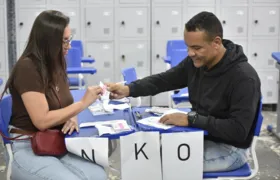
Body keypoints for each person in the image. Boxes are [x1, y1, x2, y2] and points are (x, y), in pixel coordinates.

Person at [107, 11, 261, 172]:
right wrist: (129, 89)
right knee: (150, 156)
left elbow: (238, 131)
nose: (190, 53)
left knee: (163, 164)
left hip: (231, 148)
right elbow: (164, 80)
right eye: (188, 47)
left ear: (216, 42)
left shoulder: (243, 78)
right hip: (202, 134)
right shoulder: (198, 63)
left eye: (196, 48)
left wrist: (191, 120)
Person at [1, 10, 107, 180]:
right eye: (65, 41)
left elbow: (64, 103)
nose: (69, 46)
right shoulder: (28, 68)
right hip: (28, 145)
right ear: (49, 42)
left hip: (55, 141)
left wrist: (72, 117)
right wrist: (81, 105)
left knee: (98, 175)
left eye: (69, 39)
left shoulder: (56, 63)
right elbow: (42, 121)